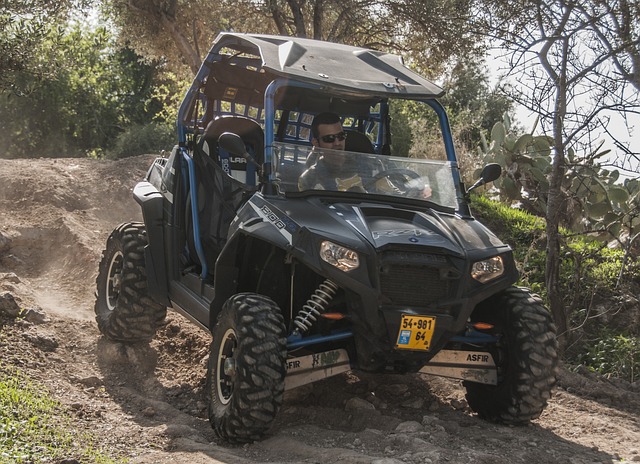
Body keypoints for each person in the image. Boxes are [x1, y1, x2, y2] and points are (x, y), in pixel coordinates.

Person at [298, 112, 432, 198]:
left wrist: (418, 192)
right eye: (329, 139)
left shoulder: (370, 166)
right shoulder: (310, 178)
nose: (337, 143)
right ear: (316, 143)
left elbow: (393, 194)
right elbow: (313, 216)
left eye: (341, 136)